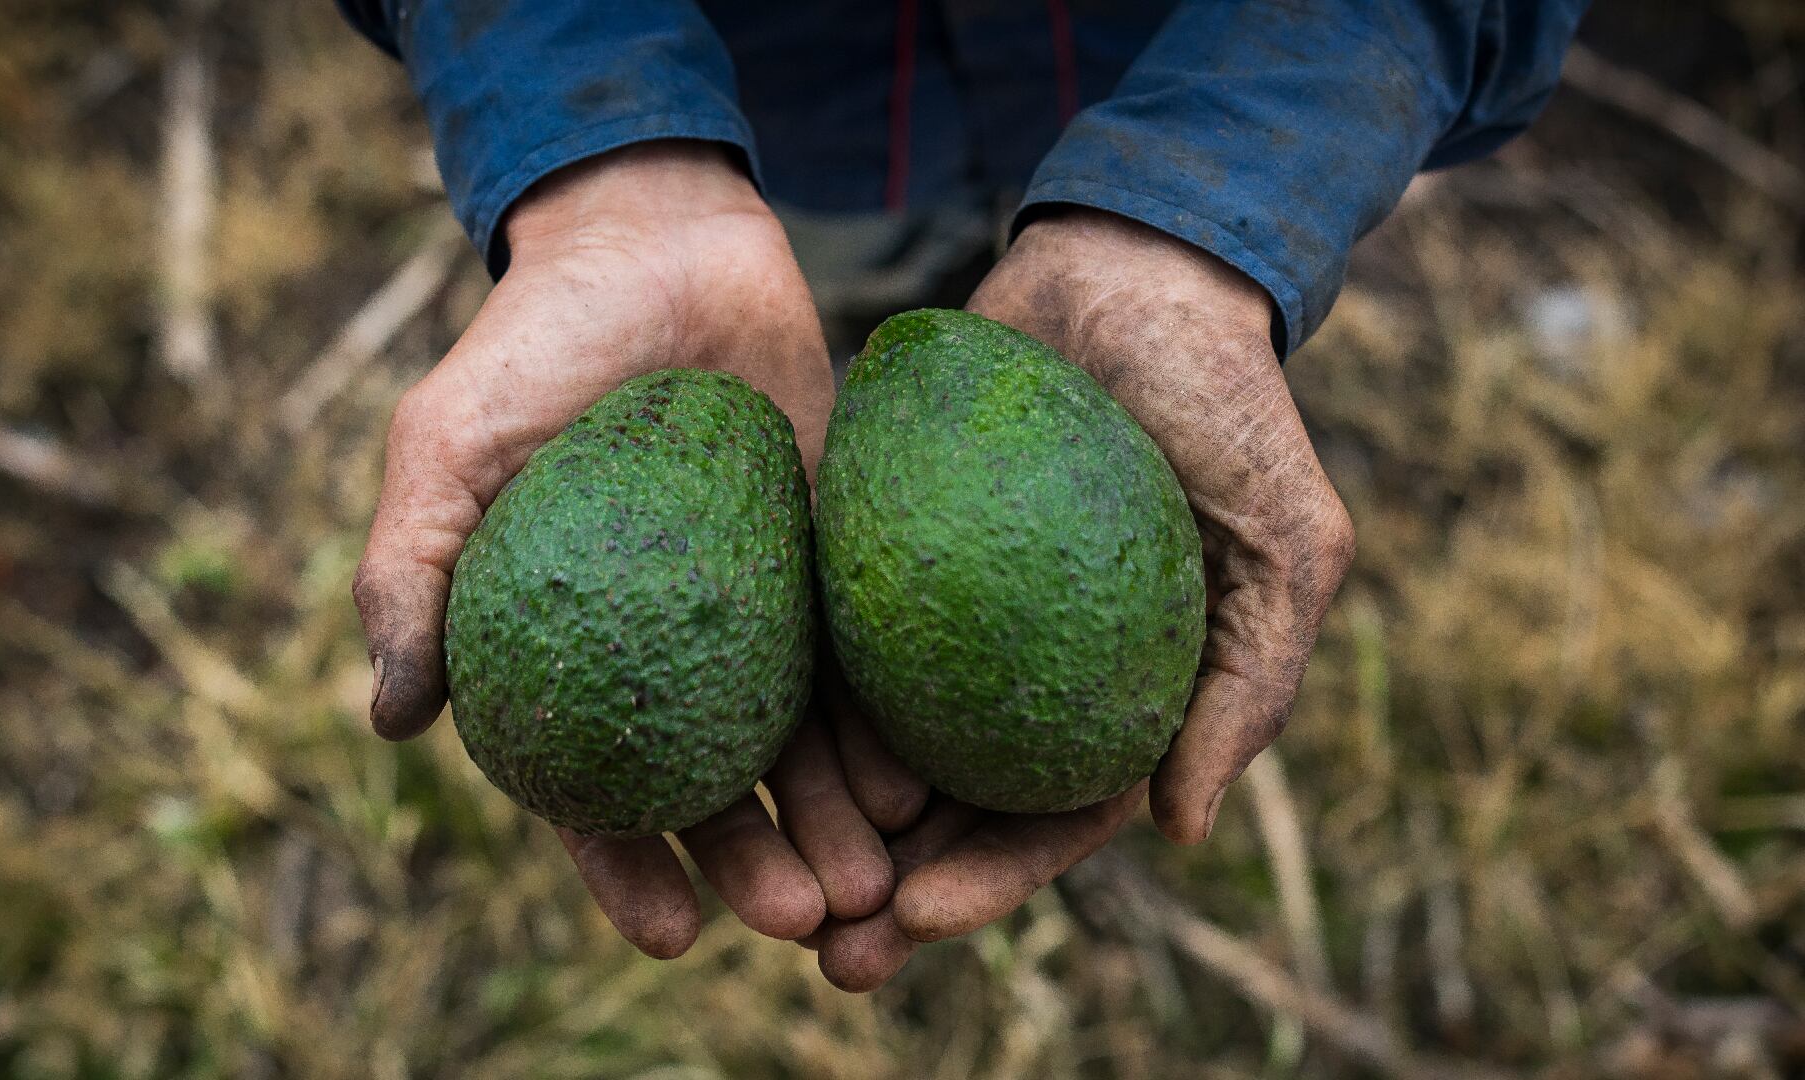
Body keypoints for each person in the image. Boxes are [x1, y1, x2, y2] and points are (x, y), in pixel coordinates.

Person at [335, 0, 1588, 992]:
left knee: (902, 321)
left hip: (1174, 75)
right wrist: (598, 155)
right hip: (769, 117)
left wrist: (1214, 205)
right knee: (846, 272)